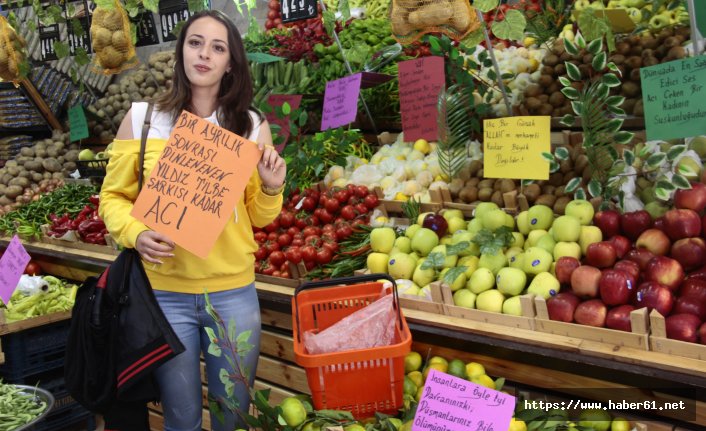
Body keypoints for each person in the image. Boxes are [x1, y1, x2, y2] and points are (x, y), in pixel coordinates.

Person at [99, 9, 286, 431]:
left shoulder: (252, 127)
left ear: (231, 62)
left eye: (218, 47)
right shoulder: (144, 119)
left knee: (232, 416)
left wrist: (272, 187)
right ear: (181, 50)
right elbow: (111, 198)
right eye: (195, 42)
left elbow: (258, 217)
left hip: (234, 294)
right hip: (164, 296)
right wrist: (136, 233)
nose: (205, 54)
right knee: (180, 418)